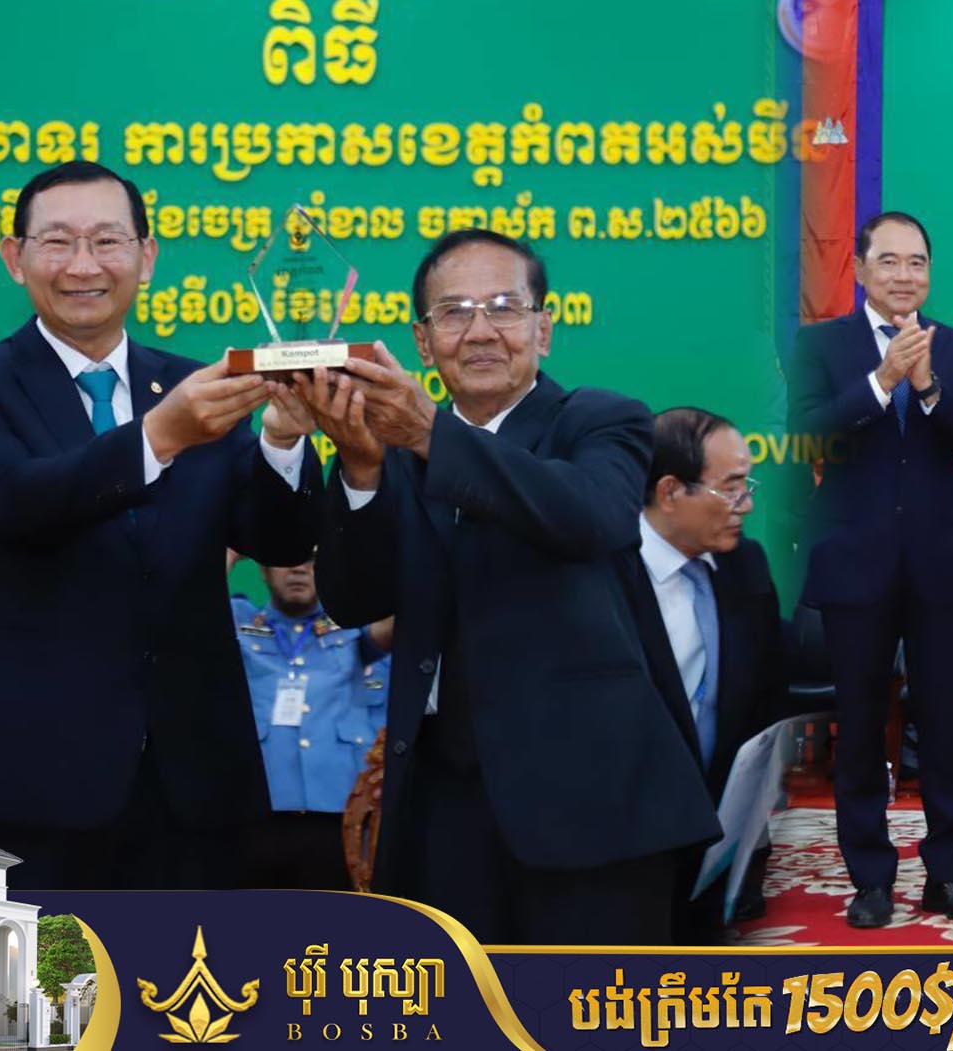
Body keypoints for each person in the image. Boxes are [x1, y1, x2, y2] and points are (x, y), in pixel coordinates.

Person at [0, 161, 323, 890]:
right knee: (36, 971)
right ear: (15, 258)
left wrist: (284, 439)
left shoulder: (194, 384)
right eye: (58, 242)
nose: (84, 265)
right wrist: (160, 436)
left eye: (107, 241)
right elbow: (13, 501)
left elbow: (281, 541)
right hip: (29, 785)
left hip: (194, 785)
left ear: (147, 256)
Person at [306, 228, 719, 945]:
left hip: (593, 807)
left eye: (503, 307)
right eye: (454, 312)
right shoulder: (398, 447)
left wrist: (431, 436)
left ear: (543, 329)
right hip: (444, 805)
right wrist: (363, 469)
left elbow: (590, 517)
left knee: (586, 1004)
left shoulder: (599, 420)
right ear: (423, 340)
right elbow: (354, 598)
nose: (480, 331)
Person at [787, 211, 953, 928]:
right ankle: (871, 879)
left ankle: (947, 872)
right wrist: (882, 381)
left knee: (944, 723)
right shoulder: (821, 345)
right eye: (889, 261)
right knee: (859, 724)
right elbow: (804, 434)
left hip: (941, 561)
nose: (905, 275)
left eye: (917, 262)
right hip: (856, 559)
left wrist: (931, 388)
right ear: (859, 268)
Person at [617, 406, 788, 937]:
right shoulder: (606, 575)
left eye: (747, 486)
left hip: (719, 830)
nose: (746, 505)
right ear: (670, 492)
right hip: (628, 838)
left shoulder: (744, 563)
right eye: (730, 489)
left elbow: (766, 686)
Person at [231, 556, 394, 889]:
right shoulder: (238, 622)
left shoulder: (353, 629)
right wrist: (235, 547)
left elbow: (404, 618)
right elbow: (186, 606)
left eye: (313, 561)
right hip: (253, 817)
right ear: (262, 570)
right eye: (284, 558)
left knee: (331, 921)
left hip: (338, 819)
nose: (298, 568)